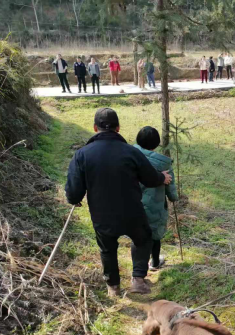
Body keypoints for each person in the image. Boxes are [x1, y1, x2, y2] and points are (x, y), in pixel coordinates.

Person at [65, 108, 173, 297]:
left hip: (102, 213)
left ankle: (113, 287)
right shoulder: (131, 152)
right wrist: (161, 178)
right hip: (132, 210)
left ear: (95, 128)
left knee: (107, 248)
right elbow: (149, 178)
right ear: (118, 128)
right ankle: (138, 280)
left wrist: (74, 199)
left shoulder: (82, 155)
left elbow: (74, 189)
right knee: (143, 239)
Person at [134, 127, 179, 271]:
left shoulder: (131, 156)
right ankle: (154, 262)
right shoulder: (163, 164)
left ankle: (139, 267)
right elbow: (170, 187)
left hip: (134, 204)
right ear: (156, 144)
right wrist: (173, 197)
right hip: (156, 205)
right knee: (155, 235)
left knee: (138, 236)